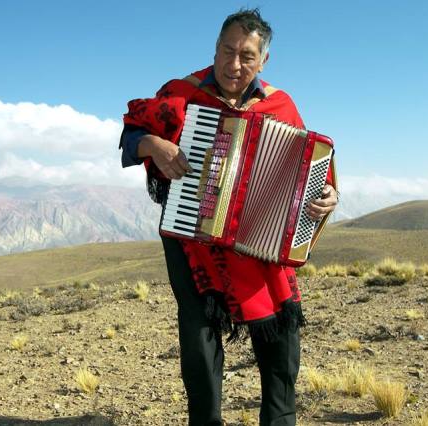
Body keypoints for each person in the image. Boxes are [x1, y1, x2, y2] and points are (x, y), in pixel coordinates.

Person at [119, 8, 338, 426]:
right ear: (215, 48)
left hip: (260, 246)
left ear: (263, 61)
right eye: (227, 51)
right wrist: (154, 145)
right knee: (199, 338)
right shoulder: (182, 93)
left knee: (280, 337)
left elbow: (313, 169)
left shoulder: (281, 105)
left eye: (247, 56)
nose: (234, 64)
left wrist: (329, 195)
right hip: (192, 236)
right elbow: (131, 136)